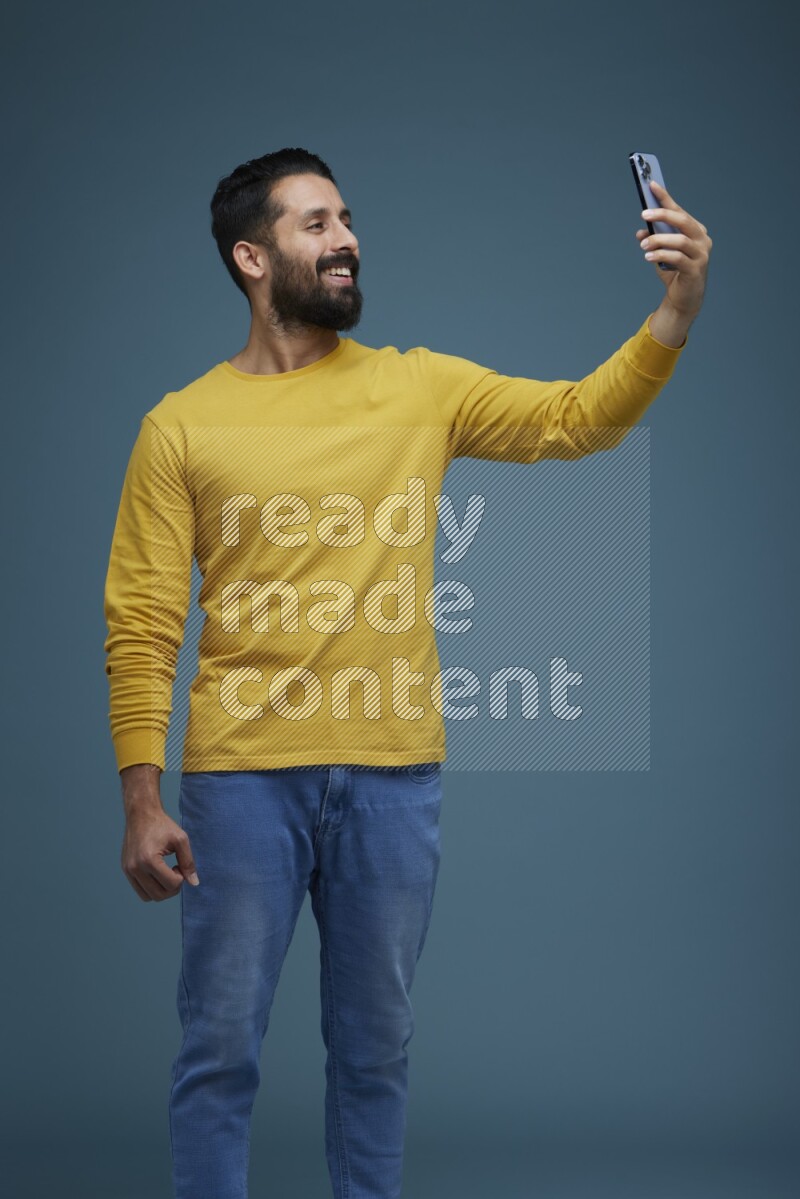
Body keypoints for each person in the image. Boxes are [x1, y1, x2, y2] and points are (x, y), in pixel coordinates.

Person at [103, 147, 711, 1199]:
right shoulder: (180, 425)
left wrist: (678, 307)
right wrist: (141, 797)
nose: (345, 239)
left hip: (393, 780)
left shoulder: (418, 386)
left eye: (346, 218)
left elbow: (578, 418)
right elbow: (144, 622)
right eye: (314, 223)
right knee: (219, 1050)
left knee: (375, 1052)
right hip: (241, 782)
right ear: (251, 257)